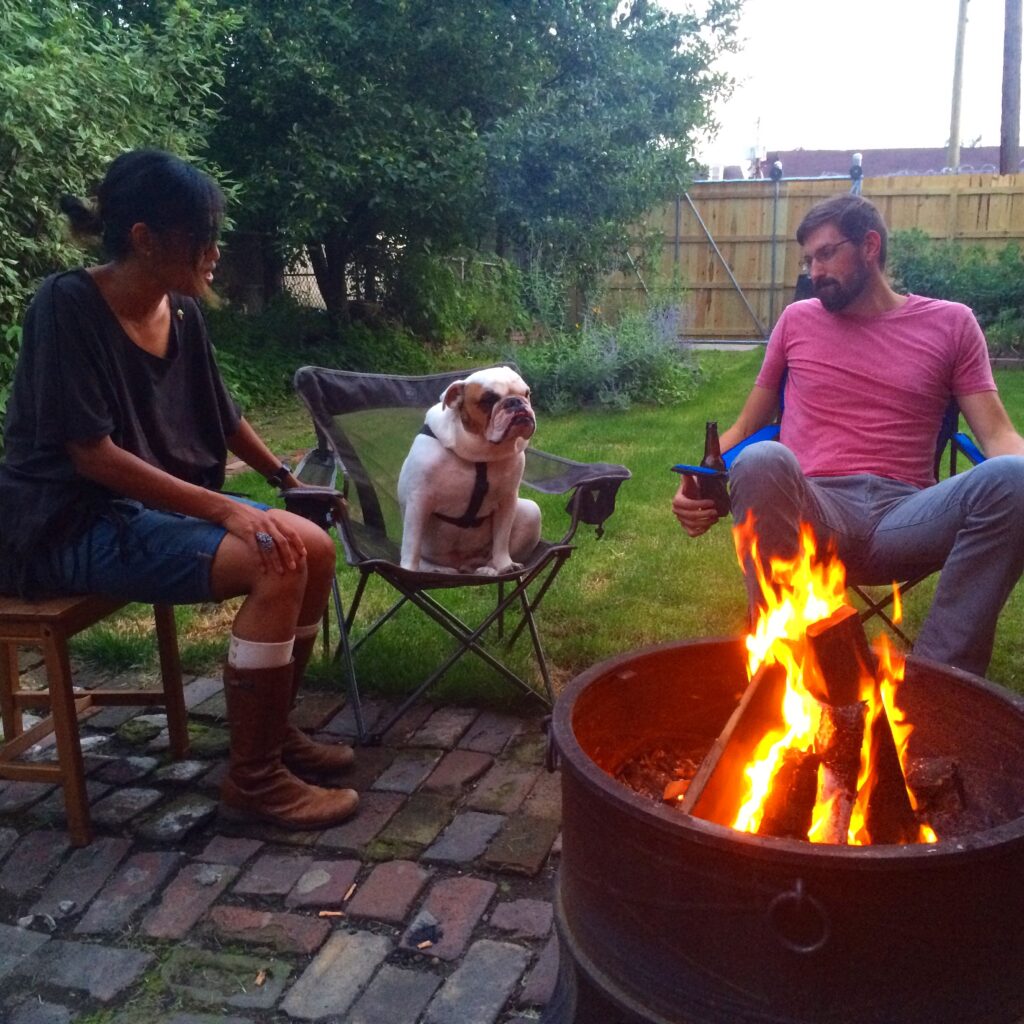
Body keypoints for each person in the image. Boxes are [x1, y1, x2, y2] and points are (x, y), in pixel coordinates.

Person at [0, 149, 358, 829]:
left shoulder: (183, 315)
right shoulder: (65, 306)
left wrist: (285, 483)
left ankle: (270, 731)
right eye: (203, 237)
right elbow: (91, 455)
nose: (215, 253)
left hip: (140, 511)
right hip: (65, 521)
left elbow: (222, 418)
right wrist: (227, 509)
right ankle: (253, 779)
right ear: (144, 238)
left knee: (312, 546)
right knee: (275, 557)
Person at [672, 193, 1024, 677]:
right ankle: (784, 667)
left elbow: (999, 436)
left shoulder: (951, 324)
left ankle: (941, 685)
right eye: (807, 260)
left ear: (870, 246)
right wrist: (696, 482)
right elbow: (747, 427)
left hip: (907, 518)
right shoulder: (796, 321)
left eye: (825, 254)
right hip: (816, 508)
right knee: (760, 458)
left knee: (1015, 477)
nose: (813, 272)